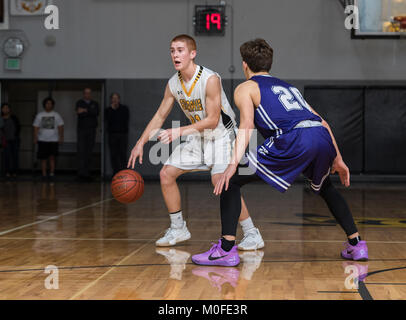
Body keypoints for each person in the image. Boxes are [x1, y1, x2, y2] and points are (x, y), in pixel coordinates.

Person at [192, 38, 368, 266]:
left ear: (245, 65)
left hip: (294, 138)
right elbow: (322, 122)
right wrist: (339, 158)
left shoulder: (245, 87)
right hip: (320, 137)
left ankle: (226, 249)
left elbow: (246, 126)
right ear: (269, 64)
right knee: (326, 187)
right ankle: (356, 244)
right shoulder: (289, 87)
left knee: (231, 181)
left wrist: (231, 165)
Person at [128, 34, 264, 250]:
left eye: (180, 50)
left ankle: (251, 233)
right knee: (166, 174)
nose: (175, 54)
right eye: (172, 50)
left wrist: (177, 132)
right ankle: (178, 227)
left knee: (221, 180)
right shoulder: (174, 83)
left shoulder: (210, 79)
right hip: (197, 137)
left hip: (222, 136)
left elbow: (212, 120)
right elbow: (159, 116)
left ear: (192, 54)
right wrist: (140, 142)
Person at [33, 97, 64, 181]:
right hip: (42, 140)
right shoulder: (40, 115)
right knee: (43, 159)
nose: (49, 105)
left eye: (50, 103)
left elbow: (60, 126)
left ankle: (52, 173)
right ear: (44, 105)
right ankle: (44, 174)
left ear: (53, 105)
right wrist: (35, 137)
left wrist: (61, 137)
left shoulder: (56, 115)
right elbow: (36, 127)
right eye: (47, 103)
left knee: (52, 158)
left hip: (53, 140)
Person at [76, 88, 99, 181]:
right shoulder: (79, 102)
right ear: (83, 94)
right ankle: (81, 173)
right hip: (81, 130)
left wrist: (85, 110)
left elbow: (96, 113)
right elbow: (78, 112)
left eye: (89, 93)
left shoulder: (95, 103)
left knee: (89, 151)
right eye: (86, 93)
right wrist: (89, 111)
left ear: (91, 94)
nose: (87, 95)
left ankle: (88, 173)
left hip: (91, 130)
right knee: (81, 151)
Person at [105, 93, 130, 176]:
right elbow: (108, 120)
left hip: (122, 135)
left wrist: (116, 110)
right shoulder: (108, 110)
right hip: (112, 135)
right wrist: (112, 110)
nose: (115, 100)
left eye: (116, 98)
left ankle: (124, 173)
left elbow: (125, 119)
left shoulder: (124, 109)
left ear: (119, 99)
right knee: (113, 154)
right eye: (113, 98)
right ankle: (115, 173)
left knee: (123, 154)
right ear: (111, 100)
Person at [1, 103, 20, 179]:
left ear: (9, 109)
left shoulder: (14, 118)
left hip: (14, 139)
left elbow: (18, 128)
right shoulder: (1, 118)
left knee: (15, 156)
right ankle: (7, 172)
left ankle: (15, 172)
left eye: (7, 108)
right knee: (6, 156)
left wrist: (15, 136)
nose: (5, 109)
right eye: (4, 108)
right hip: (5, 140)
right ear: (1, 109)